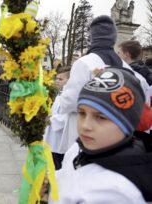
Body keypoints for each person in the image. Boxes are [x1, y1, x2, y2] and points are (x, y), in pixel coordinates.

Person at [49, 68, 152, 203]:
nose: (85, 125)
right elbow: (66, 176)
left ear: (126, 124)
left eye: (101, 117)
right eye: (82, 113)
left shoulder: (116, 192)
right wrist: (47, 182)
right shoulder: (79, 147)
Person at [58, 15, 150, 151]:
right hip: (117, 137)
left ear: (92, 38)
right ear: (113, 39)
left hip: (85, 136)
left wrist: (62, 96)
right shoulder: (128, 68)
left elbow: (70, 102)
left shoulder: (83, 64)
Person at [44, 66, 71, 170]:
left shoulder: (71, 95)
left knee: (58, 167)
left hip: (60, 140)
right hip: (53, 137)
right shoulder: (61, 92)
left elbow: (68, 118)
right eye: (57, 78)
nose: (57, 81)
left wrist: (50, 119)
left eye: (61, 79)